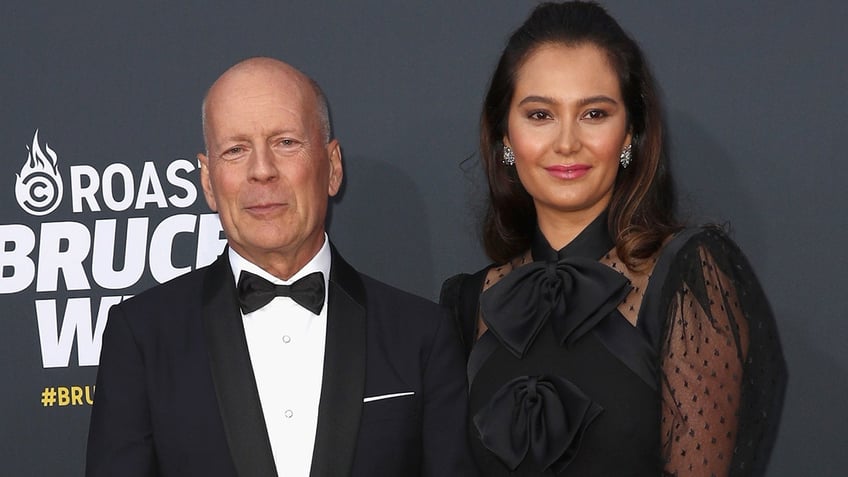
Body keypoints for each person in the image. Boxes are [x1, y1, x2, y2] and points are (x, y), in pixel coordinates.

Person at [440, 2, 787, 476]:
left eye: (594, 114)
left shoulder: (687, 276)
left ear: (629, 135)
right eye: (540, 114)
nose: (566, 143)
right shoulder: (468, 302)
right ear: (505, 135)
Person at [86, 57, 476, 477]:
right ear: (207, 181)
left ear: (333, 167)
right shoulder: (142, 335)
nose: (262, 171)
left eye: (286, 142)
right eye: (235, 150)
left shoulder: (421, 334)